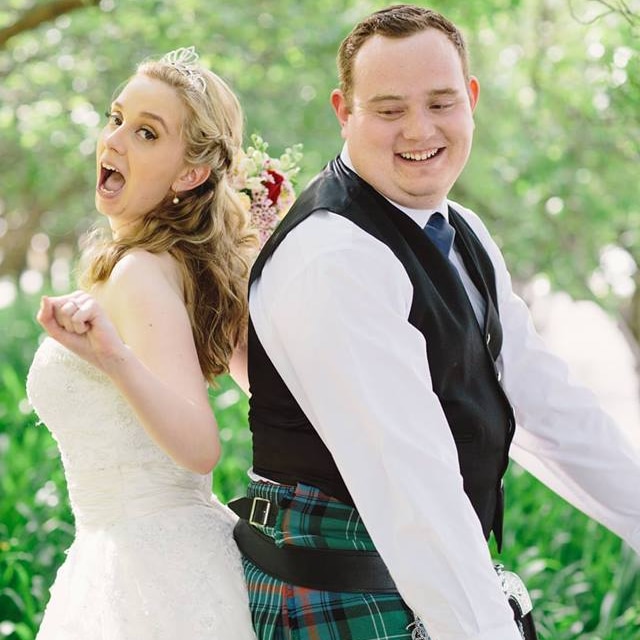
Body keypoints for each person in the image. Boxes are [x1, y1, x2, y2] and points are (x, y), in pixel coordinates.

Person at [231, 5, 640, 640]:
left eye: (441, 103)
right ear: (345, 111)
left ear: (471, 99)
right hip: (341, 594)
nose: (419, 129)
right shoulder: (334, 259)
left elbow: (549, 406)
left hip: (416, 583)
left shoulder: (463, 231)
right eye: (390, 109)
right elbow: (408, 484)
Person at [26, 47, 258, 639]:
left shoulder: (142, 272)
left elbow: (201, 447)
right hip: (119, 558)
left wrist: (113, 357)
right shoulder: (158, 263)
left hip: (157, 580)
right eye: (117, 118)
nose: (116, 140)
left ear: (190, 174)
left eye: (147, 133)